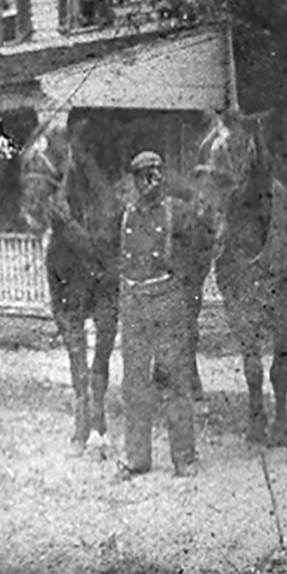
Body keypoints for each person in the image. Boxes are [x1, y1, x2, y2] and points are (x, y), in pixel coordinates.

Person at [116, 150, 211, 480]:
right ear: (135, 179)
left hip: (167, 302)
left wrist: (185, 288)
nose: (149, 181)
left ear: (162, 175)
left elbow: (203, 247)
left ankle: (184, 457)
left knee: (175, 381)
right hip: (133, 303)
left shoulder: (178, 212)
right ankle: (138, 457)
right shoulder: (127, 214)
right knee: (134, 384)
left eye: (155, 173)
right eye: (142, 175)